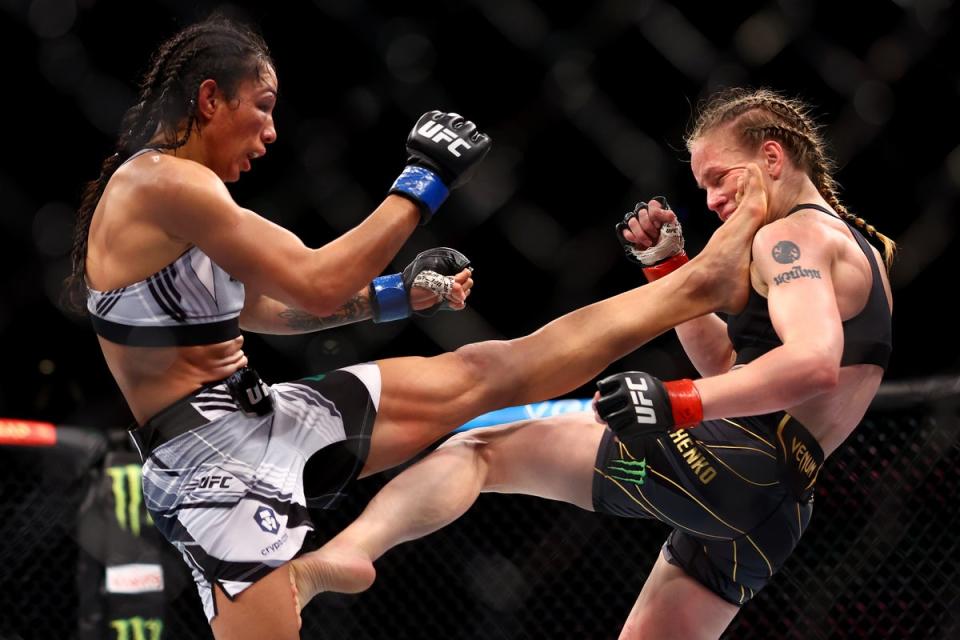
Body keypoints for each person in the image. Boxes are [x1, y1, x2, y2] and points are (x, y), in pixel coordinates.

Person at [68, 14, 767, 638]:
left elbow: (269, 309)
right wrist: (421, 181)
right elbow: (313, 277)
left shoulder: (185, 201)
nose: (273, 131)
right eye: (264, 106)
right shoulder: (163, 183)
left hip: (263, 415)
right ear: (209, 98)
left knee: (481, 373)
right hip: (211, 469)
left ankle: (688, 289)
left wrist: (398, 296)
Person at [295, 87, 896, 640]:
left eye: (719, 177)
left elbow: (814, 363)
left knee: (479, 445)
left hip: (730, 460)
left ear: (772, 157)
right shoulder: (856, 247)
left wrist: (676, 401)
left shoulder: (790, 239)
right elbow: (739, 370)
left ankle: (342, 555)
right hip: (773, 511)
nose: (712, 200)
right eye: (703, 186)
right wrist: (669, 268)